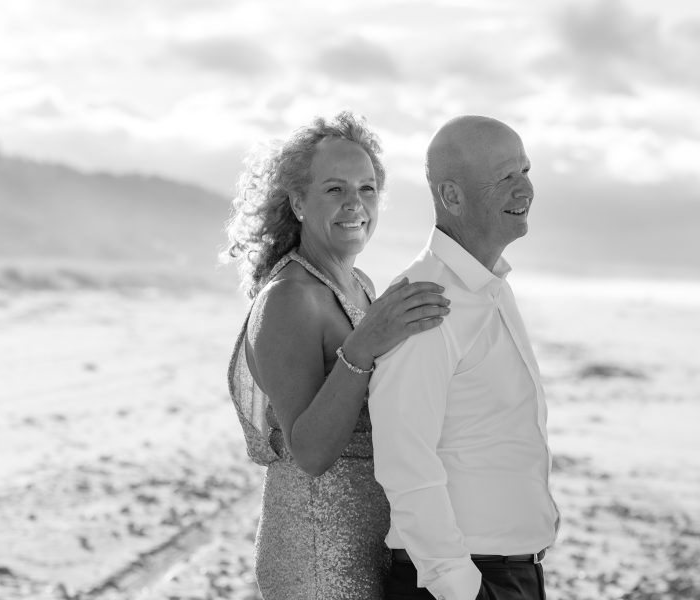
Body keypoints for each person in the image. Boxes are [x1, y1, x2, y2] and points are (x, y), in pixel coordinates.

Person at [223, 111, 451, 600]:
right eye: (334, 190)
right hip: (317, 547)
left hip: (373, 538)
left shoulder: (360, 284)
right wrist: (365, 344)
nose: (355, 204)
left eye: (367, 189)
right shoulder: (289, 297)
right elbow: (310, 452)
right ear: (299, 201)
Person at [368, 116, 560, 600]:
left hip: (508, 575)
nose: (527, 189)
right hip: (461, 582)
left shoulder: (491, 286)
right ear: (452, 197)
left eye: (526, 170)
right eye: (506, 177)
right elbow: (405, 458)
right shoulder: (425, 298)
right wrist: (461, 588)